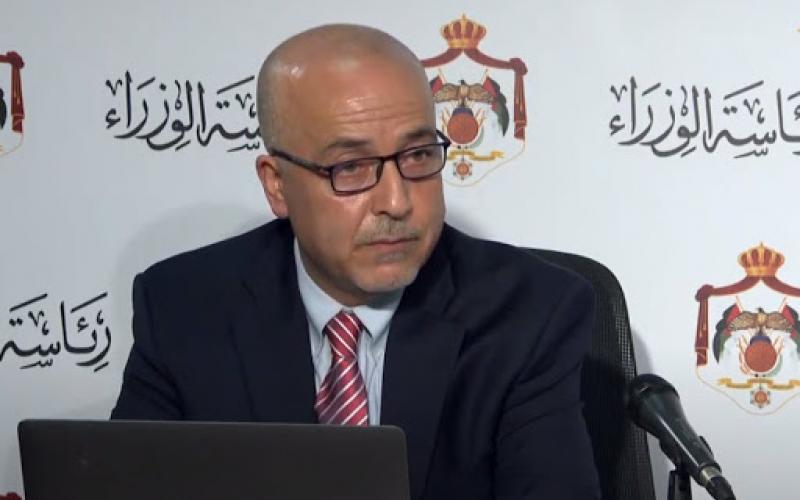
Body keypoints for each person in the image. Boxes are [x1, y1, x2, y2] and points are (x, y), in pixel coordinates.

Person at [112, 24, 600, 499]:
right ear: (277, 185)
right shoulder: (182, 308)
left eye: (417, 155)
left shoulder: (531, 314)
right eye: (350, 167)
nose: (397, 202)